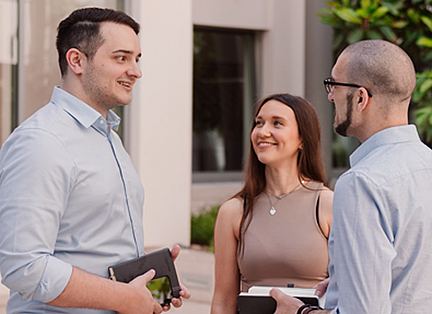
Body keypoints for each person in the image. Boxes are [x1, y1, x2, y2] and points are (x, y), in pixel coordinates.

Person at [0, 7, 189, 314]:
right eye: (121, 58)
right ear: (77, 61)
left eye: (136, 59)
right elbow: (24, 265)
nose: (136, 71)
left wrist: (146, 285)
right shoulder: (42, 141)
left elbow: (95, 244)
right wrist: (123, 298)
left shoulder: (109, 136)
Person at [271, 39, 432, 314]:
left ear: (360, 98)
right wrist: (350, 279)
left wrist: (299, 311)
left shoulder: (362, 183)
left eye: (334, 85)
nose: (331, 95)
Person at [210, 93, 333, 314]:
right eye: (259, 123)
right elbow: (223, 301)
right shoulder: (234, 211)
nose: (262, 131)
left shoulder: (328, 204)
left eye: (277, 123)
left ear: (302, 139)